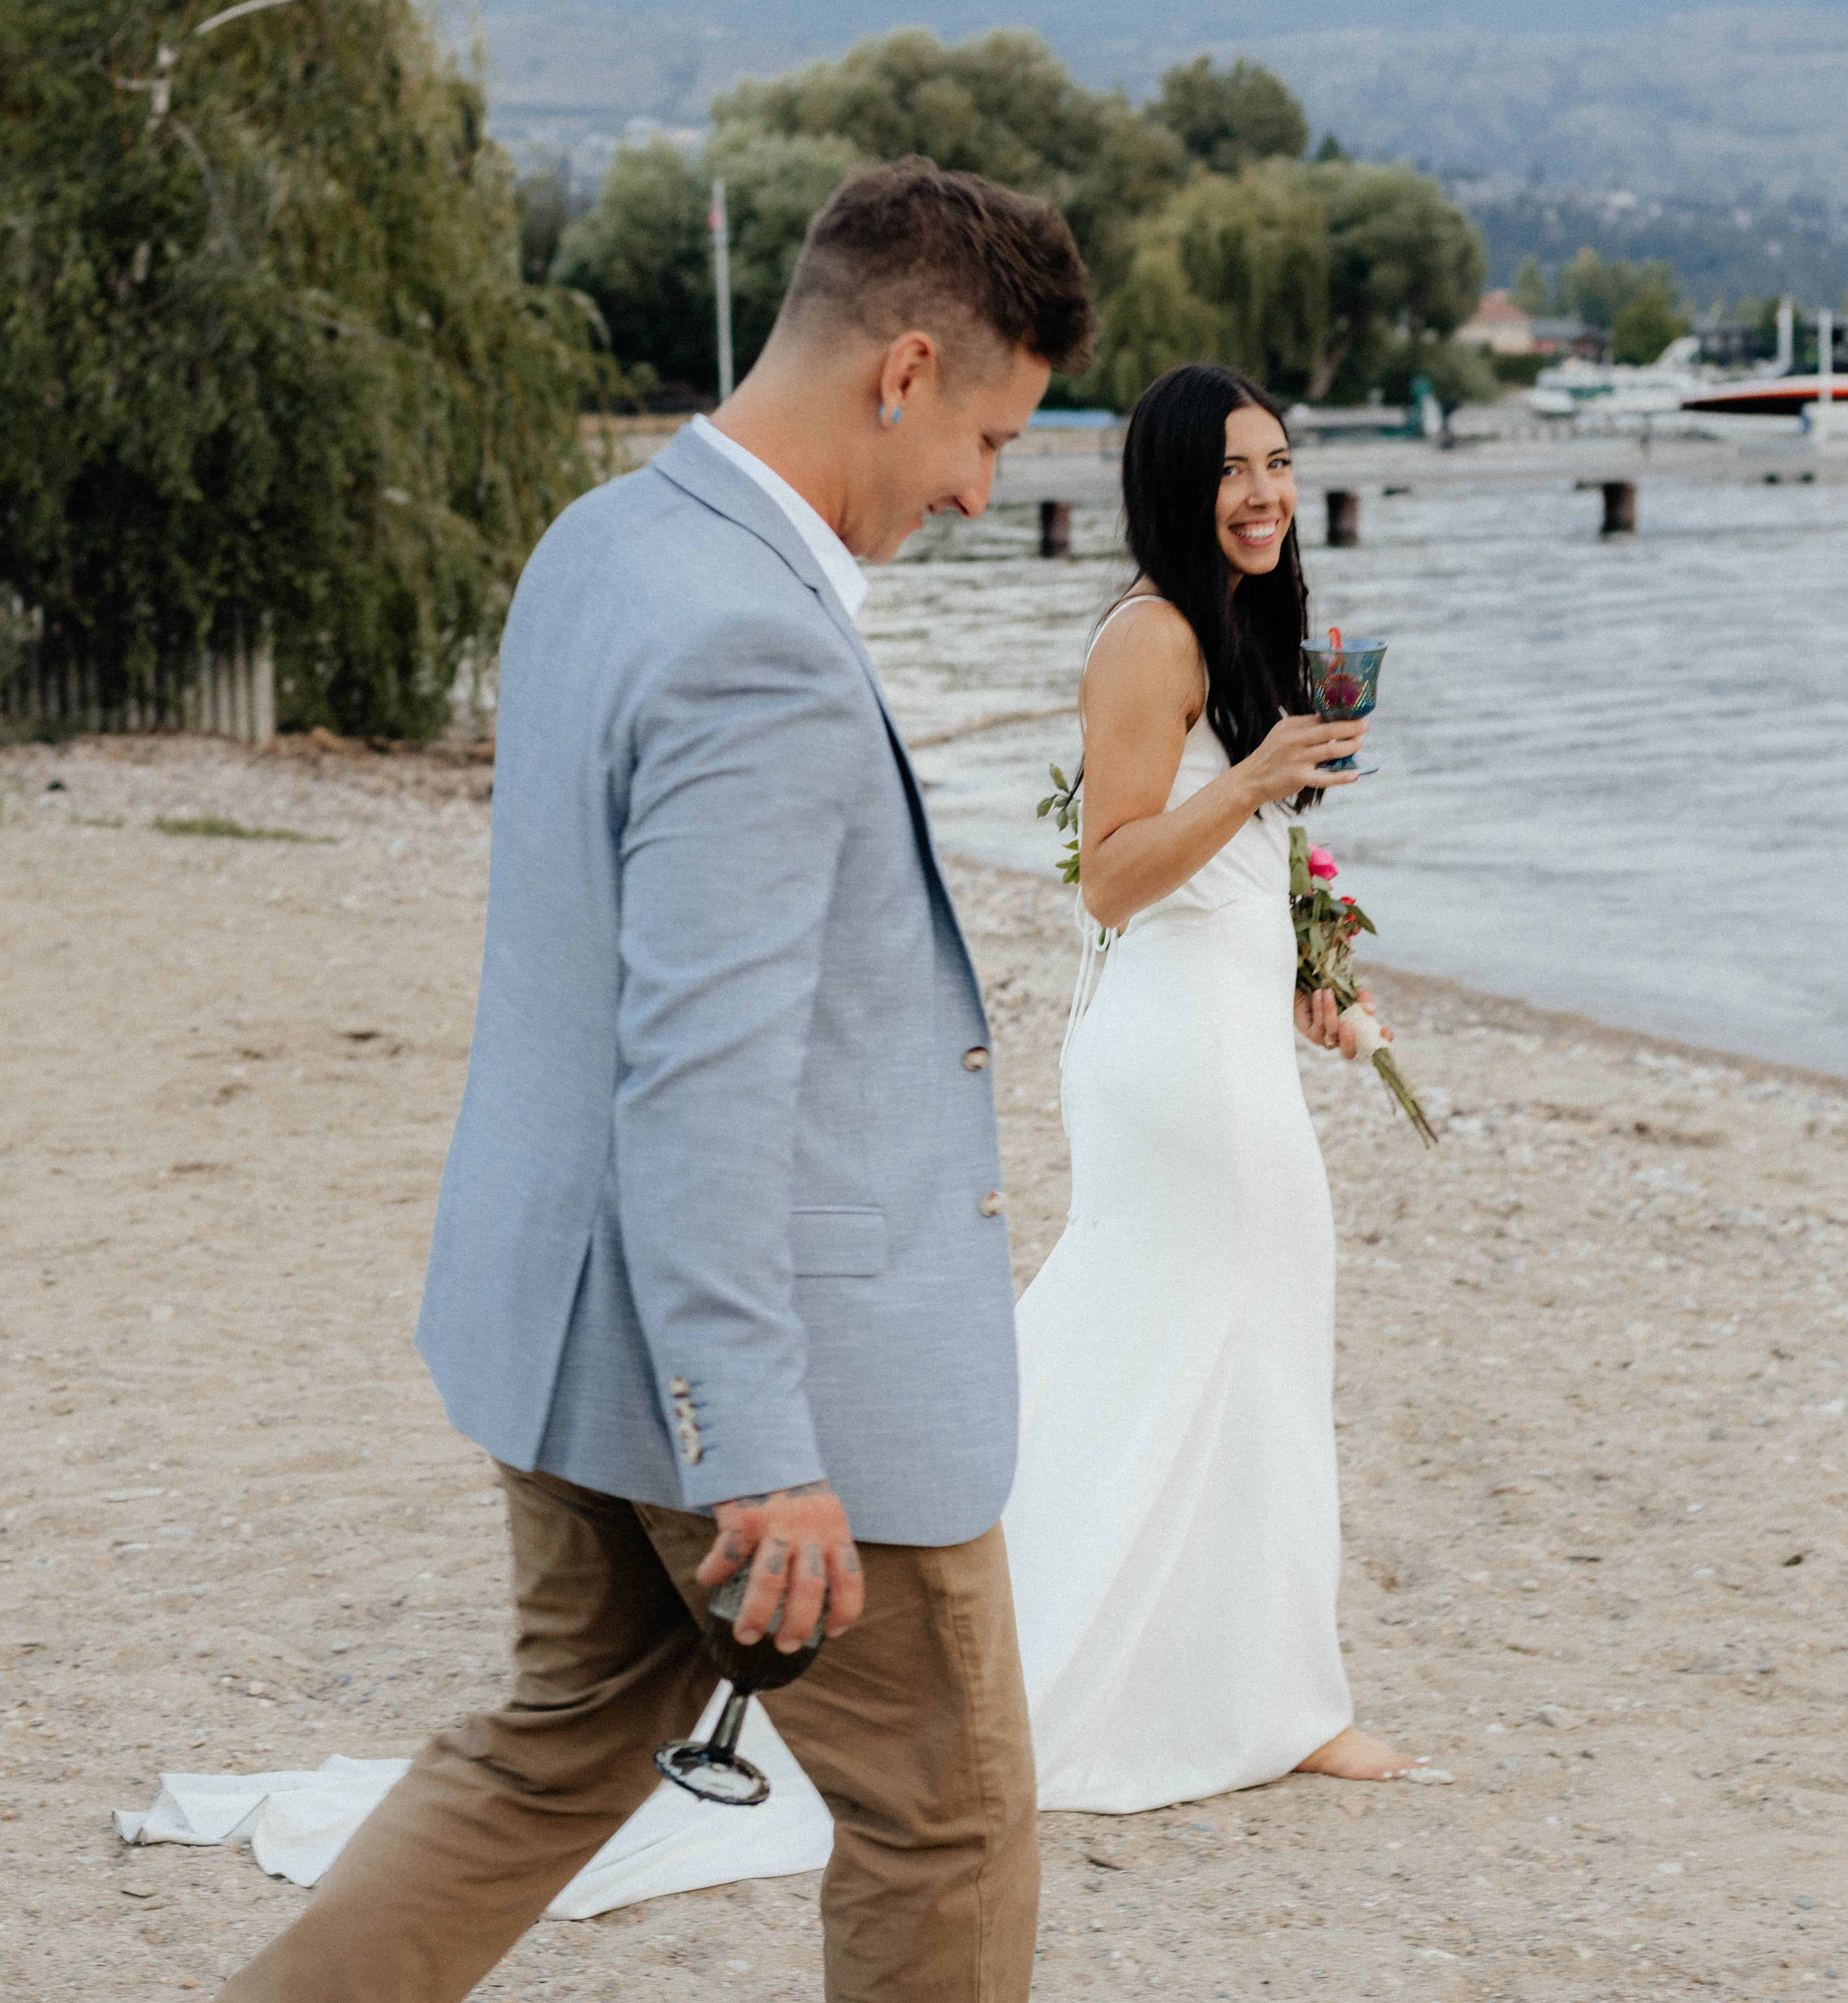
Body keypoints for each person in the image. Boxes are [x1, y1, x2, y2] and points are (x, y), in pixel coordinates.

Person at [208, 159, 1100, 2003]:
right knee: (945, 1813)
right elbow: (704, 1072)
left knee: (557, 1744)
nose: (973, 491)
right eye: (988, 438)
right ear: (903, 369)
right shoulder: (760, 643)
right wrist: (761, 1450)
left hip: (562, 1333)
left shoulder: (605, 541)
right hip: (759, 1383)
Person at [1001, 361, 1424, 1811]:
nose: (1263, 495)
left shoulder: (1239, 628)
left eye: (1281, 464)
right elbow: (1112, 877)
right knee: (1251, 1333)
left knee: (1178, 1340)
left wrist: (1308, 961)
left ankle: (1227, 1677)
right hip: (1171, 1056)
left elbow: (1221, 865)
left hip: (1227, 1030)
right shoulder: (1151, 637)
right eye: (1233, 471)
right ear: (1177, 489)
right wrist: (1257, 785)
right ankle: (1285, 1702)